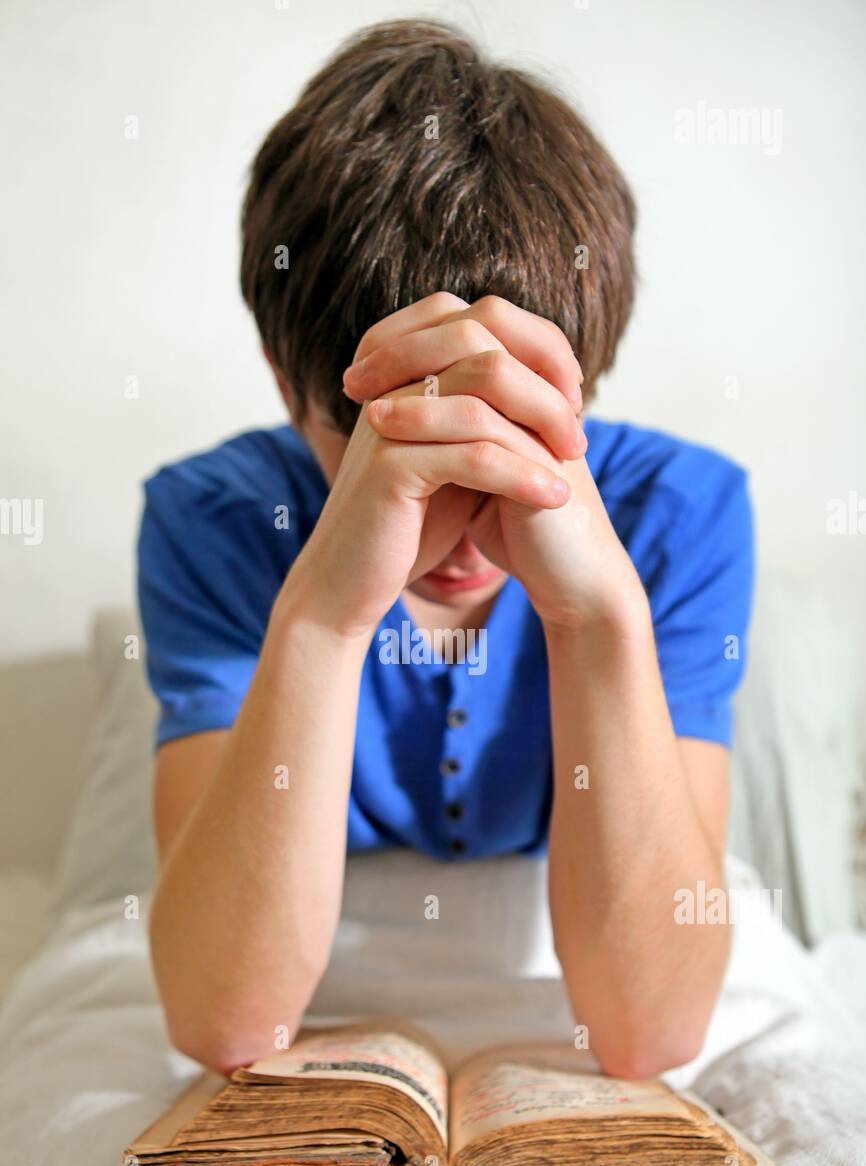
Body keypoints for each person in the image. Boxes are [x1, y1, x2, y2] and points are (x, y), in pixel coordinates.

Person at [138, 19, 754, 1079]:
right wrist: (324, 618)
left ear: (585, 382)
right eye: (387, 439)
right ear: (288, 389)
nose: (457, 510)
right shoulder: (217, 519)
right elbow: (225, 1023)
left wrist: (597, 617)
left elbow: (646, 1033)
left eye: (511, 433)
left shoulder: (677, 512)